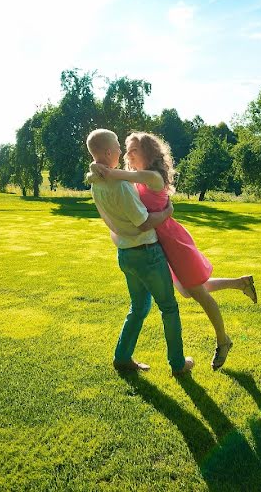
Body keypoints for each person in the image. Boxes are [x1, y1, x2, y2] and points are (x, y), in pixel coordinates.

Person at [89, 131, 257, 370]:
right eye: (124, 148)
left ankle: (223, 339)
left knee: (197, 293)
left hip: (172, 242)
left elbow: (115, 173)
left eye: (132, 149)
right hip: (158, 243)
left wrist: (98, 167)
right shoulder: (134, 180)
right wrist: (96, 165)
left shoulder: (153, 177)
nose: (126, 154)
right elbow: (116, 175)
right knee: (188, 290)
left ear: (148, 152)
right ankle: (240, 283)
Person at [85, 128, 195, 376]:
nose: (122, 151)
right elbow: (144, 222)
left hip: (125, 254)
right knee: (168, 307)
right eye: (118, 146)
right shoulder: (120, 186)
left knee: (139, 307)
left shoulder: (96, 183)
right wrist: (167, 213)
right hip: (146, 252)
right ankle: (178, 364)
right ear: (109, 152)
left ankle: (122, 357)